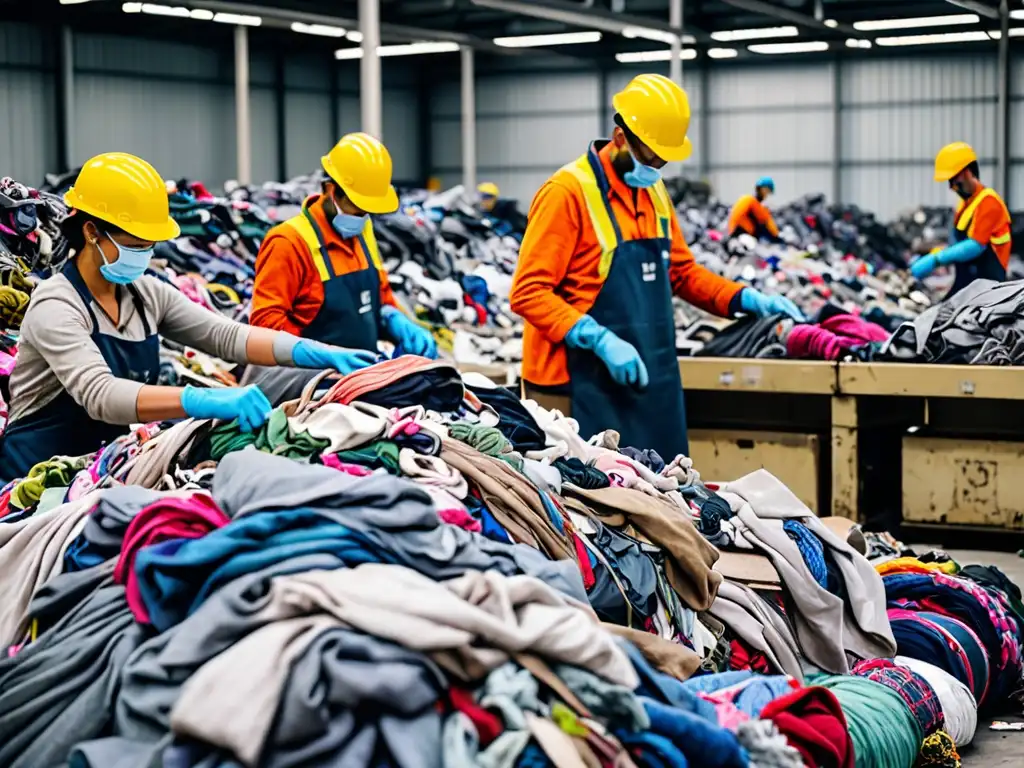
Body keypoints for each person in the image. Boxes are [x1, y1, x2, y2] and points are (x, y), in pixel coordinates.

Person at [0, 152, 377, 481]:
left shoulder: (146, 294)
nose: (146, 253)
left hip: (95, 469)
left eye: (151, 244)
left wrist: (315, 352)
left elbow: (229, 337)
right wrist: (203, 399)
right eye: (136, 244)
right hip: (33, 479)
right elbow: (101, 396)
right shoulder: (57, 305)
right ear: (92, 231)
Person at [509, 74, 803, 460]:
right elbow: (527, 292)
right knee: (589, 501)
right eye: (650, 155)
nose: (657, 166)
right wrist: (598, 338)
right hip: (573, 386)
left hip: (647, 380)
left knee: (662, 493)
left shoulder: (654, 191)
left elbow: (681, 273)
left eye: (664, 157)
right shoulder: (567, 193)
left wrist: (745, 298)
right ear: (619, 138)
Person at [250, 132, 436, 358]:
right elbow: (264, 329)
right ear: (330, 190)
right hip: (314, 383)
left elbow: (379, 297)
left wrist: (392, 318)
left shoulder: (363, 231)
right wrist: (319, 356)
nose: (361, 215)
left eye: (367, 209)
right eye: (357, 205)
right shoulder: (288, 242)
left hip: (362, 375)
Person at [910, 142, 1011, 297]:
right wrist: (936, 252)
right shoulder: (966, 204)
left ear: (967, 173)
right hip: (969, 280)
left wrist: (936, 259)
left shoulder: (990, 202)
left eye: (953, 181)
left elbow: (976, 245)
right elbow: (958, 242)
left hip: (988, 285)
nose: (952, 187)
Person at [728, 177, 781, 241]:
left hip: (735, 233)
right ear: (762, 189)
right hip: (742, 233)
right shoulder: (752, 202)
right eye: (767, 191)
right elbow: (766, 220)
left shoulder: (747, 199)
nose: (766, 195)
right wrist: (777, 237)